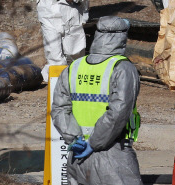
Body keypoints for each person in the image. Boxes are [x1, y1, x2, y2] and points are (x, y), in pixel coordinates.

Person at [51, 16, 142, 185]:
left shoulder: (74, 67)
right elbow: (118, 112)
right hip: (112, 153)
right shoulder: (123, 68)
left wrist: (76, 139)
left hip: (77, 155)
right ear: (121, 37)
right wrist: (93, 143)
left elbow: (59, 109)